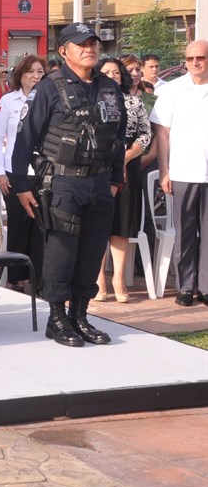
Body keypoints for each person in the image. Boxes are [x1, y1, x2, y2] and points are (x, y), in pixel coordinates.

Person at [11, 23, 125, 348]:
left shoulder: (109, 88)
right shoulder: (50, 87)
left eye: (93, 43)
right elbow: (25, 138)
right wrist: (22, 186)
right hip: (63, 183)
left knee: (91, 253)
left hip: (100, 183)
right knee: (61, 253)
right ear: (64, 51)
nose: (90, 48)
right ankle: (57, 319)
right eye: (82, 44)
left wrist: (115, 180)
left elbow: (117, 136)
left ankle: (80, 315)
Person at [150, 40, 208, 308]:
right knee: (184, 233)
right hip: (183, 170)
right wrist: (164, 170)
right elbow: (162, 132)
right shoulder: (173, 90)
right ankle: (185, 286)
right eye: (191, 58)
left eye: (201, 57)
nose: (196, 62)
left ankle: (206, 286)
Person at [93, 56, 150, 303]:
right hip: (97, 169)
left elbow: (145, 135)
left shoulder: (134, 102)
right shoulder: (91, 101)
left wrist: (124, 158)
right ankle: (98, 279)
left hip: (128, 167)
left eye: (116, 73)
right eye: (106, 72)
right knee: (96, 225)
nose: (112, 76)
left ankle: (118, 278)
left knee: (121, 224)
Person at [0, 55, 46, 292]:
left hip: (42, 172)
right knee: (20, 226)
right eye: (30, 72)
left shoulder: (49, 101)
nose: (35, 76)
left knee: (42, 227)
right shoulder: (8, 101)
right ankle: (16, 278)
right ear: (19, 76)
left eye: (40, 72)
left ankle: (40, 278)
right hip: (14, 173)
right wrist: (0, 174)